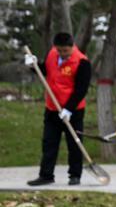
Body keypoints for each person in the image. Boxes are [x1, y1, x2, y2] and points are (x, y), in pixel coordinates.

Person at [26, 33, 91, 187]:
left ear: (72, 46)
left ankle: (75, 175)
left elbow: (81, 89)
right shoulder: (52, 55)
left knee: (74, 144)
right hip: (52, 108)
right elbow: (45, 72)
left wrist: (69, 109)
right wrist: (33, 65)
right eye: (59, 50)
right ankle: (46, 175)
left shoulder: (82, 62)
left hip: (73, 111)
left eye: (65, 51)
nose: (62, 54)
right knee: (49, 142)